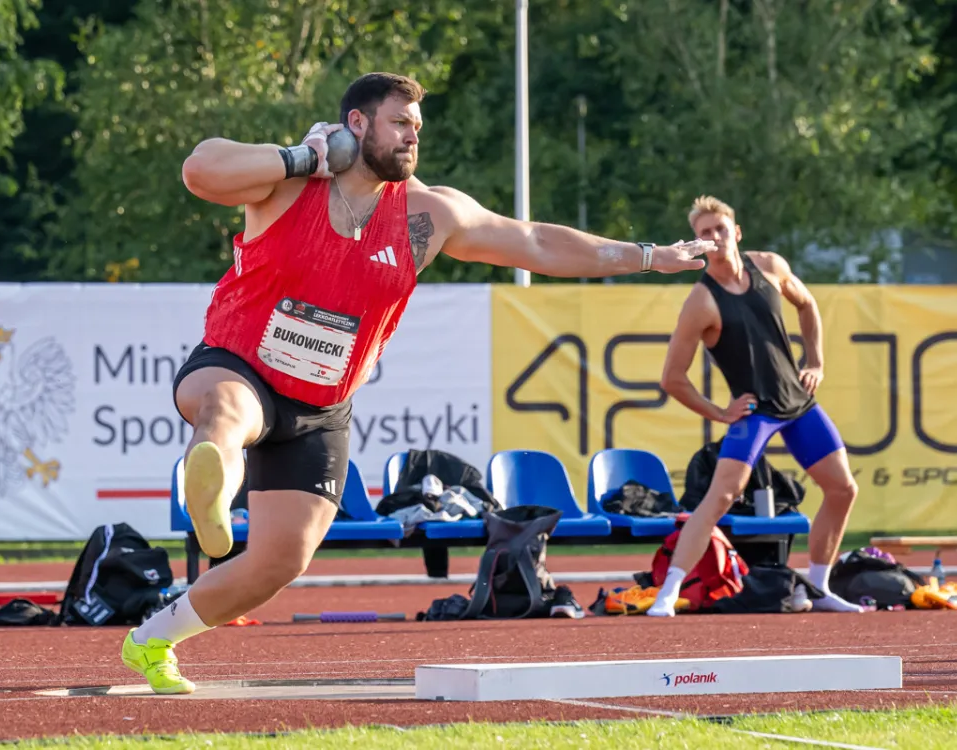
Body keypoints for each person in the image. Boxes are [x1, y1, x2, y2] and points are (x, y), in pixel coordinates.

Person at [120, 71, 713, 694]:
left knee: (279, 561)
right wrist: (305, 156)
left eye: (418, 128)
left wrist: (646, 255)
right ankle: (210, 496)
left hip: (322, 407)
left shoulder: (430, 214)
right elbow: (200, 168)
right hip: (238, 361)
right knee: (228, 413)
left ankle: (152, 639)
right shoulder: (287, 182)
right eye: (400, 123)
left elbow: (537, 241)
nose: (412, 137)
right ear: (357, 124)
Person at [646, 195, 863, 617]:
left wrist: (815, 360)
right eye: (704, 234)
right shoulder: (701, 302)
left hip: (798, 403)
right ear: (696, 243)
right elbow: (672, 378)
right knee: (721, 496)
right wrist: (719, 412)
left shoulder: (770, 265)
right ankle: (668, 591)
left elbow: (808, 305)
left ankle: (818, 586)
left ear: (736, 232)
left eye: (720, 229)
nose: (714, 237)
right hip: (756, 411)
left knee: (843, 489)